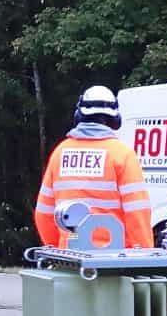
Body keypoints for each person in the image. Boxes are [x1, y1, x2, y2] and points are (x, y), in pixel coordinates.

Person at [33, 85, 155, 248]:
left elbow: (44, 213)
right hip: (114, 255)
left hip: (70, 254)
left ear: (79, 115)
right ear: (115, 119)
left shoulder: (60, 153)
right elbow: (137, 213)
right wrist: (144, 254)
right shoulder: (122, 154)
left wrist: (58, 248)